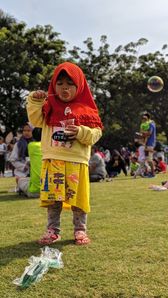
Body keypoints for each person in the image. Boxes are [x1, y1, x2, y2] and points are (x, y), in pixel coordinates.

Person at [27, 61, 103, 245]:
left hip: (77, 161)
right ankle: (52, 230)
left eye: (69, 84)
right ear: (53, 85)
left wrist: (80, 132)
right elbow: (35, 120)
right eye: (59, 84)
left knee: (78, 199)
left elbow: (96, 133)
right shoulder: (48, 106)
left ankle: (80, 230)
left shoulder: (87, 109)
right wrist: (35, 100)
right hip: (53, 159)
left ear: (79, 85)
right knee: (53, 200)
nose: (64, 88)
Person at [18, 128, 42, 197]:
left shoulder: (31, 145)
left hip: (35, 191)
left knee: (20, 180)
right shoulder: (49, 146)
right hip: (50, 191)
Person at [141, 112, 156, 177]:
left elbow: (150, 133)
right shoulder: (146, 124)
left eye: (145, 118)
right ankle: (148, 172)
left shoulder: (151, 124)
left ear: (148, 118)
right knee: (147, 159)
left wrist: (143, 133)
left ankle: (153, 173)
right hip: (146, 143)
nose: (143, 119)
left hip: (150, 143)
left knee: (150, 159)